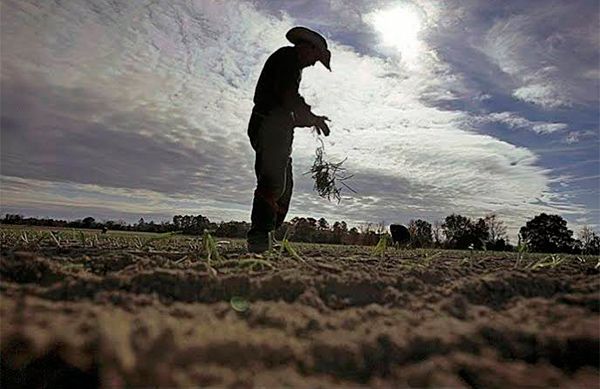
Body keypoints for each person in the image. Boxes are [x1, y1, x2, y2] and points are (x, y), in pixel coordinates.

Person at [246, 26, 332, 253]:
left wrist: (310, 120)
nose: (315, 63)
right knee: (273, 182)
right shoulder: (287, 58)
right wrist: (310, 115)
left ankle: (268, 233)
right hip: (268, 126)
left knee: (285, 188)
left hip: (280, 129)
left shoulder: (294, 66)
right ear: (308, 47)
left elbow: (289, 110)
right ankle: (259, 237)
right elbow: (288, 97)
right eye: (317, 57)